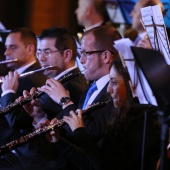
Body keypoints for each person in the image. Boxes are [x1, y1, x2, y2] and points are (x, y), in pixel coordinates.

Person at [23, 25, 122, 169]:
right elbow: (74, 136)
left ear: (105, 56)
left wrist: (65, 101)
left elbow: (91, 134)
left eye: (86, 53)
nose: (81, 60)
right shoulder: (91, 88)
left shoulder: (114, 93)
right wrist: (41, 118)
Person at [46, 58, 161, 170]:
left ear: (132, 86)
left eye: (114, 82)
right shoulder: (121, 116)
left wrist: (80, 133)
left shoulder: (144, 122)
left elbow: (106, 166)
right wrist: (59, 141)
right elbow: (91, 163)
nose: (108, 89)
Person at [0, 27, 87, 169]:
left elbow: (18, 121)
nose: (41, 58)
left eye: (47, 52)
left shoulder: (68, 85)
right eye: (39, 52)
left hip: (42, 159)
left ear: (67, 55)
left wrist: (8, 91)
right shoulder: (62, 81)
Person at [0, 27, 47, 168]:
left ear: (30, 49)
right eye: (6, 47)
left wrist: (7, 92)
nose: (6, 53)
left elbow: (16, 121)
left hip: (19, 155)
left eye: (12, 47)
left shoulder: (32, 79)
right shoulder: (13, 74)